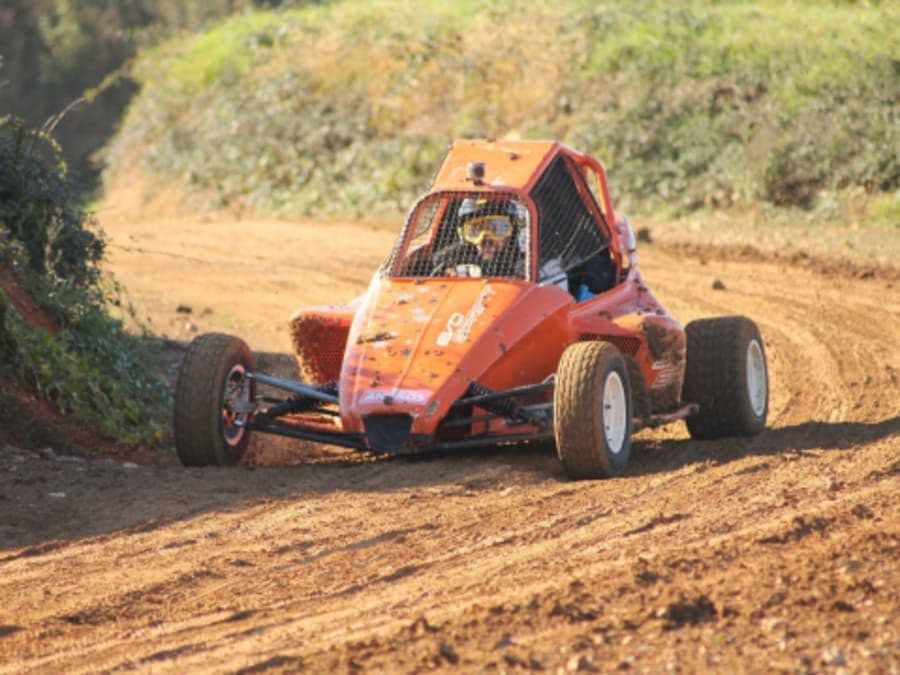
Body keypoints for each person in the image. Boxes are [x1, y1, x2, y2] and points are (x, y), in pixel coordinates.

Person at [432, 198, 527, 278]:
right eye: (476, 231)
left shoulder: (526, 262)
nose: (486, 239)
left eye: (498, 229)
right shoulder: (455, 256)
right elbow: (437, 260)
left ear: (513, 232)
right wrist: (447, 270)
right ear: (465, 235)